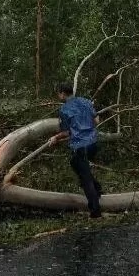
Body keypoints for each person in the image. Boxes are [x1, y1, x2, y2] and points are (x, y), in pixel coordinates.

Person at [49, 82, 103, 218]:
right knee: (74, 163)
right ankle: (97, 188)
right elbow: (96, 120)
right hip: (94, 143)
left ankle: (95, 211)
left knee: (85, 179)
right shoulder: (86, 101)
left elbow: (66, 132)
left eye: (58, 93)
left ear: (62, 93)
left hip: (80, 146)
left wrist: (55, 137)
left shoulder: (64, 110)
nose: (58, 95)